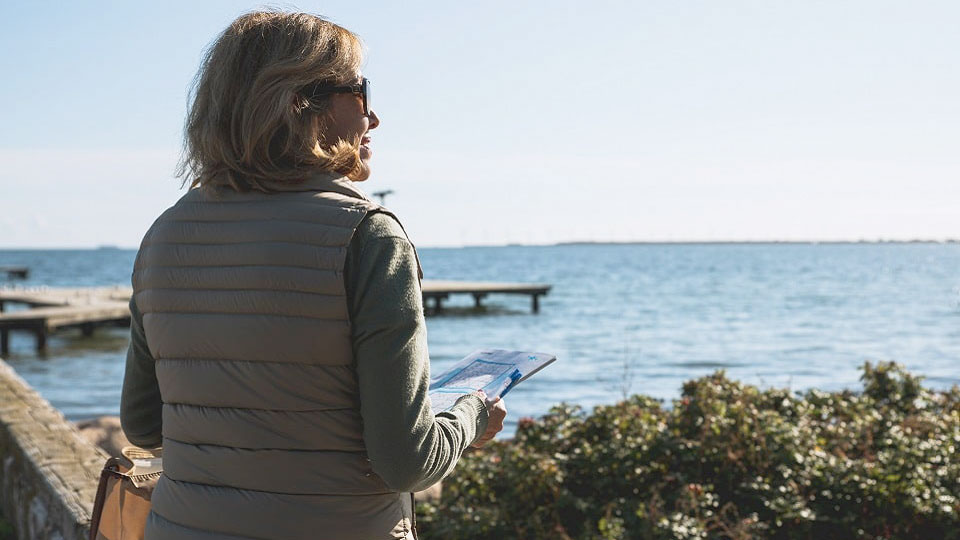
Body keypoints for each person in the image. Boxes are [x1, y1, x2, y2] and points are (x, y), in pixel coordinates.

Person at [120, 11, 506, 540]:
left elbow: (144, 425)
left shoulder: (165, 235)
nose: (374, 118)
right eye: (362, 91)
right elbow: (407, 461)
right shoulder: (367, 236)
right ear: (301, 102)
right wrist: (471, 415)